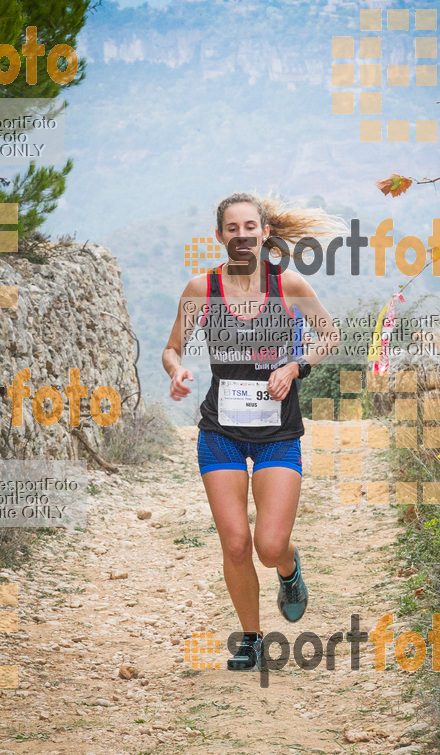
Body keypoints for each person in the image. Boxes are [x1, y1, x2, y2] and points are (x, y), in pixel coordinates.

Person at [162, 192, 343, 671]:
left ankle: (289, 568)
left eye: (249, 227)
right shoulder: (203, 288)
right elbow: (172, 348)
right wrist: (177, 371)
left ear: (265, 232)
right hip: (220, 429)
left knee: (268, 546)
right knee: (237, 544)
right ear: (219, 235)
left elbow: (330, 336)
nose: (240, 235)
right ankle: (251, 637)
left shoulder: (291, 286)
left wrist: (296, 367)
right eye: (231, 228)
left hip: (278, 433)